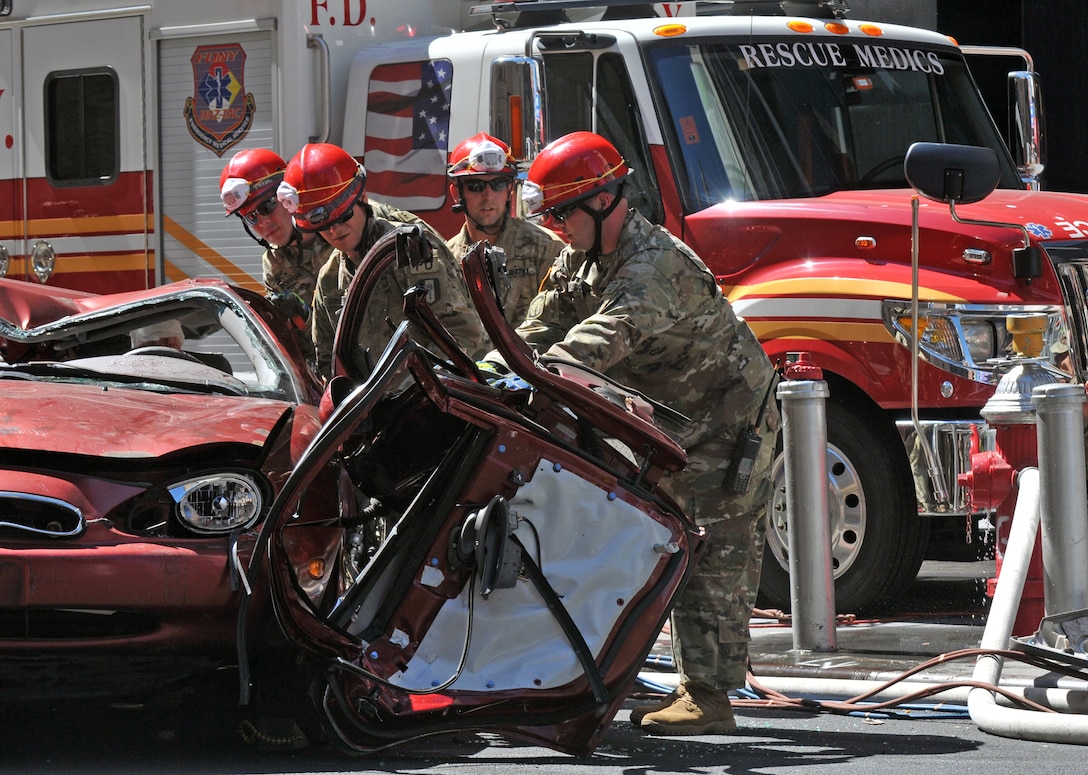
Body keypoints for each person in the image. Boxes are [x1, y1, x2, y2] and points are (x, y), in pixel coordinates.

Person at [515, 131, 780, 735]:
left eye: (562, 212)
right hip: (672, 425)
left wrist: (537, 374)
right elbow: (539, 326)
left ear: (604, 201)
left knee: (713, 551)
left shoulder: (654, 267)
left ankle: (709, 699)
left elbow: (603, 340)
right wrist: (493, 370)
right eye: (549, 214)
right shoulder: (580, 258)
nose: (555, 225)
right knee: (649, 542)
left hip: (728, 422)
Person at [276, 143, 489, 379]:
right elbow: (330, 365)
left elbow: (463, 335)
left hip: (432, 400)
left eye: (344, 215)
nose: (335, 230)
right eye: (324, 225)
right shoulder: (330, 279)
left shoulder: (407, 249)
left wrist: (424, 389)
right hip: (376, 408)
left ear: (363, 198)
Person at [220, 148, 332, 361]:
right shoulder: (275, 266)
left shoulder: (335, 228)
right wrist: (302, 320)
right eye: (251, 218)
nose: (263, 223)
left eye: (267, 207)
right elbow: (308, 352)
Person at [445, 132, 564, 325]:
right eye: (476, 185)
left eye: (498, 184)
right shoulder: (447, 259)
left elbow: (560, 325)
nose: (489, 196)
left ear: (509, 189)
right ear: (457, 193)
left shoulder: (547, 249)